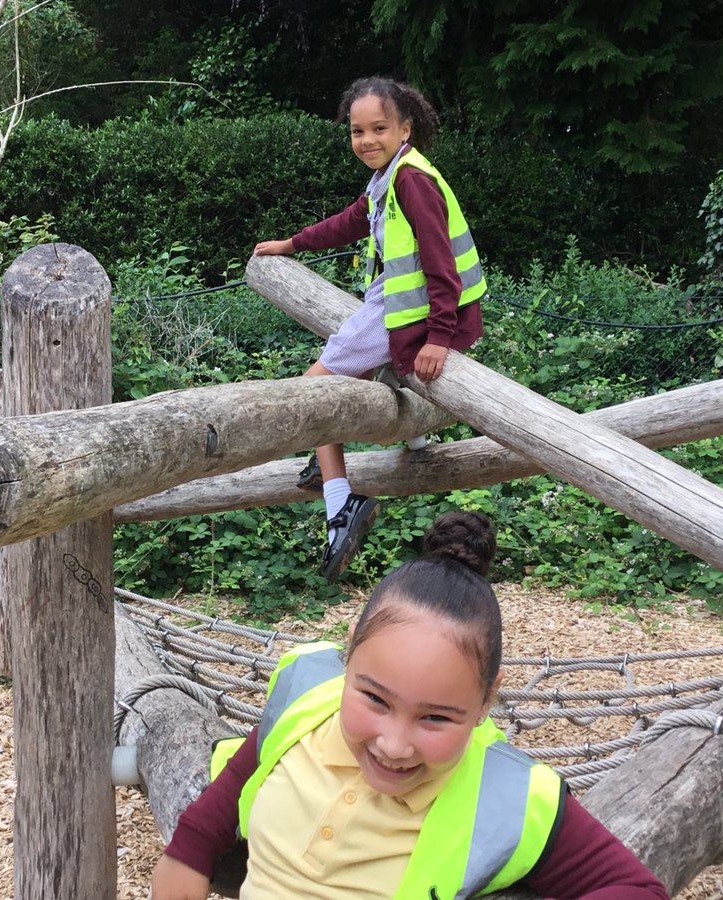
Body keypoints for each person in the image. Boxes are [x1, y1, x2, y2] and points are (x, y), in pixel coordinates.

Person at [150, 511, 670, 900]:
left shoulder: (507, 795)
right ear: (349, 653)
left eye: (436, 717)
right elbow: (248, 767)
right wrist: (189, 851)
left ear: (488, 699)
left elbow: (637, 889)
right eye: (375, 698)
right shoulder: (308, 697)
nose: (394, 744)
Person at [253, 76, 487, 583]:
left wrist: (438, 337)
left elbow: (441, 264)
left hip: (403, 316)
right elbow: (351, 221)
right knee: (335, 393)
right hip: (399, 311)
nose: (366, 140)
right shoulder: (390, 177)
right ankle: (331, 457)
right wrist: (292, 244)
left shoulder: (412, 181)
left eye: (379, 128)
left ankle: (340, 504)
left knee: (312, 392)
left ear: (405, 128)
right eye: (357, 131)